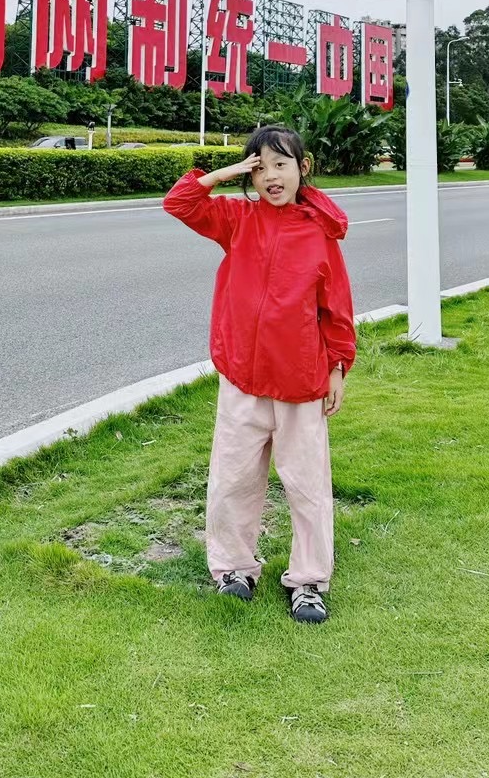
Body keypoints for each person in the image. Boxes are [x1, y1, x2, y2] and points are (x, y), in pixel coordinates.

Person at [163, 124, 355, 625]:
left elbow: (335, 305)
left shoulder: (318, 232)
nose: (271, 176)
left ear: (302, 168)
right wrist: (225, 173)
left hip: (300, 380)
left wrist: (338, 365)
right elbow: (179, 203)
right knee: (234, 479)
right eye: (260, 167)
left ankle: (309, 581)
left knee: (307, 485)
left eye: (281, 164)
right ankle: (233, 568)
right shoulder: (237, 220)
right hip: (242, 379)